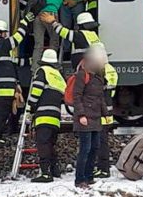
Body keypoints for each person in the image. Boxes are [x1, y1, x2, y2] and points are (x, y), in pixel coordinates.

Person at [26, 48, 67, 183]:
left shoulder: (42, 71)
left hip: (43, 115)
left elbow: (37, 89)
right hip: (55, 117)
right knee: (50, 144)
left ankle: (45, 173)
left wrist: (30, 106)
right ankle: (55, 171)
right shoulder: (59, 76)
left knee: (43, 144)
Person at [0, 19, 26, 148]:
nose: (5, 35)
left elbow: (11, 62)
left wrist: (28, 61)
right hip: (5, 82)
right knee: (3, 111)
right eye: (3, 32)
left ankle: (7, 131)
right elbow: (17, 39)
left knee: (7, 109)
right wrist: (25, 22)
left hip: (4, 81)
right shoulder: (1, 44)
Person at [72, 44, 108, 188]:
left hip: (95, 117)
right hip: (85, 117)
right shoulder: (83, 74)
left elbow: (100, 98)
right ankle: (80, 179)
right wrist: (81, 114)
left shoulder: (98, 76)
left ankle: (89, 176)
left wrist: (106, 114)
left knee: (94, 148)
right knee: (85, 149)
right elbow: (77, 95)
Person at [30, 0, 90, 68]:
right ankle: (51, 66)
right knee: (54, 42)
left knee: (38, 45)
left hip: (38, 15)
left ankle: (34, 70)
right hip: (51, 15)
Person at [94, 56, 118, 179]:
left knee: (101, 143)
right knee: (102, 142)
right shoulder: (111, 69)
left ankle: (103, 169)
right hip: (107, 111)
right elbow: (111, 92)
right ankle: (103, 168)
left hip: (101, 113)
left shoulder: (101, 69)